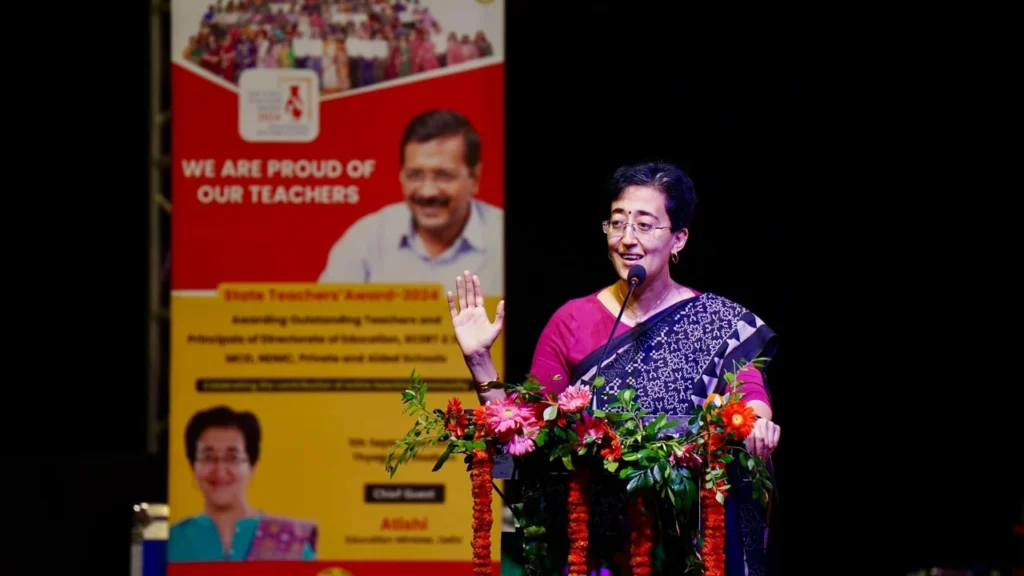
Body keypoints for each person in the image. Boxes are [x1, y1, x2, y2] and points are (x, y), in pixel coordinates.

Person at [445, 161, 780, 575]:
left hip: (687, 550)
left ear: (678, 239)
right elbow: (522, 439)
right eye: (617, 223)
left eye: (644, 225)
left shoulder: (719, 324)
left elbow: (750, 400)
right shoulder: (571, 321)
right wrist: (480, 363)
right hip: (594, 548)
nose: (627, 240)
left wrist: (759, 426)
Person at [318, 109, 504, 295]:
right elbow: (323, 318)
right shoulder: (367, 239)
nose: (427, 192)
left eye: (444, 176)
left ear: (475, 179)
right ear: (401, 176)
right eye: (415, 175)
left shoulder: (500, 238)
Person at [168, 406, 318, 562]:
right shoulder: (171, 542)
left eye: (232, 457)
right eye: (208, 457)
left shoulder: (290, 542)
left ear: (252, 466)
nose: (220, 470)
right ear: (193, 466)